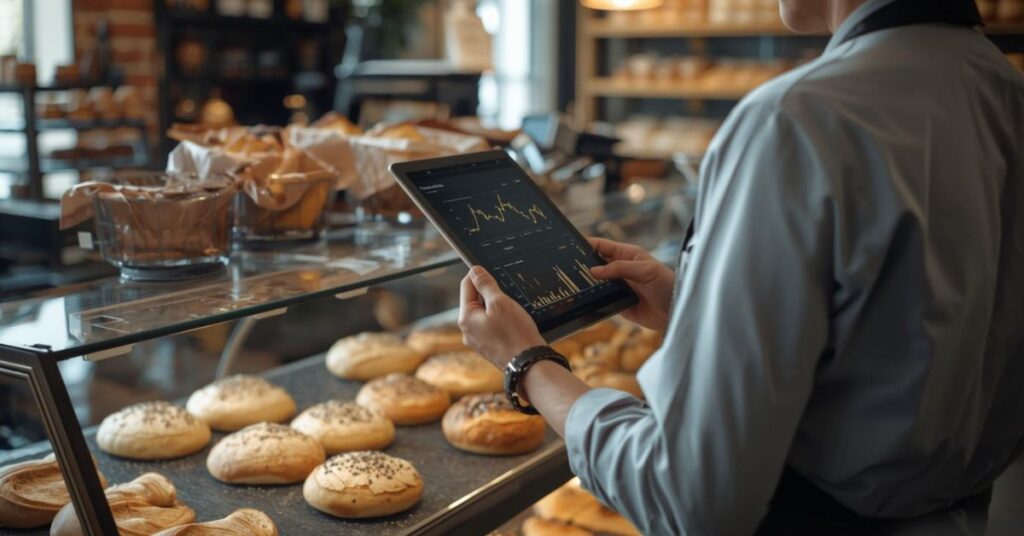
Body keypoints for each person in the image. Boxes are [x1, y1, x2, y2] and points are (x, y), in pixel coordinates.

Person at [457, 0, 1024, 534]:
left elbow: (691, 494)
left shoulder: (797, 117)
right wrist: (694, 305)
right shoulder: (1001, 89)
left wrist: (528, 363)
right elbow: (916, 324)